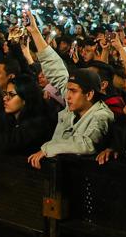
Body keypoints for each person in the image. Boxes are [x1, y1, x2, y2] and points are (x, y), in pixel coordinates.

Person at [26, 14, 113, 168]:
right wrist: (34, 32)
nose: (67, 95)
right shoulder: (73, 106)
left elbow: (85, 144)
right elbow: (54, 66)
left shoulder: (102, 115)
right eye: (67, 90)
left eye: (73, 91)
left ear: (89, 94)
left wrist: (47, 149)